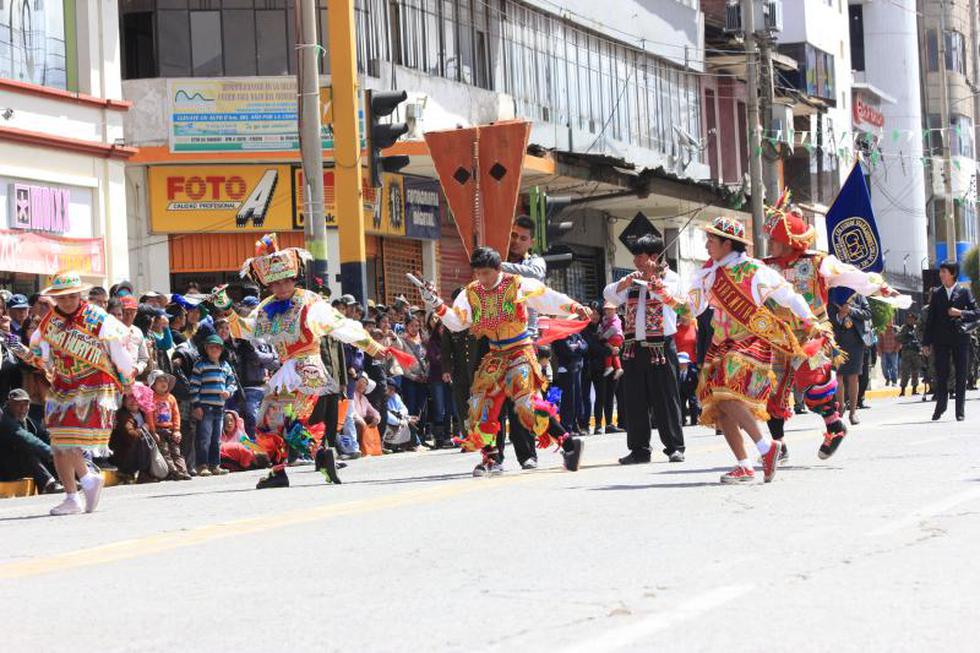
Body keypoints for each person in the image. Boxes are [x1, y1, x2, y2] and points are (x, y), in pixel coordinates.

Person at [654, 217, 825, 484]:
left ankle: (767, 448)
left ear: (727, 243)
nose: (707, 245)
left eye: (711, 240)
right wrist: (663, 293)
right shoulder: (707, 274)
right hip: (720, 344)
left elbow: (789, 295)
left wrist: (810, 319)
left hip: (751, 340)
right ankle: (744, 466)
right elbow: (691, 310)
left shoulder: (754, 269)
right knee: (719, 406)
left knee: (726, 392)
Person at [419, 246, 591, 475]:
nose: (482, 279)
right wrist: (437, 305)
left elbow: (546, 298)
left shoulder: (517, 284)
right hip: (495, 354)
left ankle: (569, 444)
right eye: (478, 274)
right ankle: (491, 458)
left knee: (525, 405)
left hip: (520, 350)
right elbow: (458, 323)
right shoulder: (471, 292)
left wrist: (574, 306)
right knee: (480, 404)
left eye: (486, 273)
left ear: (498, 269)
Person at [232, 234, 387, 488]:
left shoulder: (309, 302)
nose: (281, 288)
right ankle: (284, 469)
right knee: (270, 421)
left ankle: (317, 457)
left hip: (308, 367)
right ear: (268, 285)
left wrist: (370, 344)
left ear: (294, 278)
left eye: (285, 281)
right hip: (285, 371)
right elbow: (248, 329)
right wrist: (228, 311)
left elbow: (338, 324)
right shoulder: (267, 306)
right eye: (275, 283)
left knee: (295, 421)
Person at [762, 197, 896, 457]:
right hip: (778, 338)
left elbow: (851, 275)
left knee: (815, 387)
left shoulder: (817, 263)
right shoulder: (766, 267)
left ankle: (835, 427)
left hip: (812, 335)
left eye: (773, 239)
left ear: (788, 240)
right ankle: (778, 445)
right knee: (773, 390)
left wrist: (880, 287)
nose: (770, 244)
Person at [14, 271, 134, 515]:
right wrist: (25, 352)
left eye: (71, 296)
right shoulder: (50, 322)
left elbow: (117, 349)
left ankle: (84, 482)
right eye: (61, 297)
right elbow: (42, 356)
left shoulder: (97, 316)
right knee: (58, 441)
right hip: (64, 384)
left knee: (66, 437)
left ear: (80, 294)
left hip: (93, 384)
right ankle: (78, 489)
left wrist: (127, 376)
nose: (67, 301)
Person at [603, 234, 686, 464]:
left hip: (660, 345)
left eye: (639, 256)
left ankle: (674, 447)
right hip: (633, 347)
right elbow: (609, 294)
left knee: (666, 398)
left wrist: (653, 280)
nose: (636, 262)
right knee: (634, 399)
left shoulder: (671, 278)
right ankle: (639, 449)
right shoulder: (634, 279)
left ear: (653, 257)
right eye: (635, 257)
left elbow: (668, 298)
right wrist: (627, 283)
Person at [922, 260, 979, 421]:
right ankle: (941, 405)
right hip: (941, 340)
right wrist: (926, 343)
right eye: (940, 272)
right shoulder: (937, 293)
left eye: (944, 272)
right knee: (941, 374)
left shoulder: (964, 292)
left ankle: (959, 411)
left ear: (953, 274)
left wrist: (960, 312)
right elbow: (930, 320)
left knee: (961, 375)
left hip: (960, 339)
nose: (941, 275)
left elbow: (977, 312)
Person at [189, 334, 236, 477]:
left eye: (217, 347)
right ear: (206, 348)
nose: (214, 349)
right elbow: (194, 387)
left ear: (222, 349)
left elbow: (232, 383)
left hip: (220, 407)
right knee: (204, 438)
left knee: (216, 438)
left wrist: (228, 392)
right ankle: (202, 465)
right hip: (205, 407)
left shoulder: (225, 365)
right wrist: (196, 405)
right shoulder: (200, 365)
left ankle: (215, 465)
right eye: (211, 347)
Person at [0, 388, 61, 493]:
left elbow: (44, 434)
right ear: (9, 404)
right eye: (19, 404)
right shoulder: (5, 419)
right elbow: (27, 438)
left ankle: (69, 478)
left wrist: (62, 447)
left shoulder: (26, 419)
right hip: (5, 468)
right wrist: (53, 452)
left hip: (19, 465)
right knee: (27, 450)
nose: (23, 408)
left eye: (26, 404)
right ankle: (49, 484)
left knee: (56, 451)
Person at [829, 291, 872, 425]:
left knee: (853, 376)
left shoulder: (858, 294)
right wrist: (839, 316)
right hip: (837, 341)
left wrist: (851, 310)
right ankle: (840, 410)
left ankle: (853, 412)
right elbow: (826, 315)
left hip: (855, 341)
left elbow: (868, 313)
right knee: (838, 376)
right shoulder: (832, 292)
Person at [147, 369, 191, 480]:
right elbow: (149, 415)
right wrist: (153, 431)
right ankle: (174, 471)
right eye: (160, 381)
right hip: (158, 429)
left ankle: (182, 470)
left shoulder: (171, 398)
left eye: (165, 381)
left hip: (170, 429)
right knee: (165, 451)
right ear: (153, 384)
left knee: (176, 451)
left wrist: (177, 430)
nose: (164, 383)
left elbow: (176, 415)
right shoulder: (150, 398)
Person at [553, 331, 589, 434]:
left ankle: (574, 425)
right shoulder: (559, 335)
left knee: (576, 398)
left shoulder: (576, 334)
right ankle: (566, 426)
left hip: (576, 369)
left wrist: (577, 347)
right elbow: (564, 350)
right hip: (564, 370)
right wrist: (577, 349)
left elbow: (585, 347)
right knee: (567, 399)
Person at [897, 312, 922, 396]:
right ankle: (903, 390)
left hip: (916, 352)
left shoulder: (916, 328)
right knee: (905, 371)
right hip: (906, 352)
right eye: (909, 319)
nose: (910, 321)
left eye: (912, 319)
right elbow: (897, 337)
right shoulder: (904, 328)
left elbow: (921, 337)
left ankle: (914, 389)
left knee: (916, 371)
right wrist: (906, 336)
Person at [599, 302, 625, 379]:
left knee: (607, 347)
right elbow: (602, 327)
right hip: (614, 339)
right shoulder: (605, 319)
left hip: (616, 337)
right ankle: (618, 368)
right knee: (614, 353)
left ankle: (609, 366)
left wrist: (604, 336)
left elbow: (614, 329)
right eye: (607, 309)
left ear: (615, 310)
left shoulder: (616, 319)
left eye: (611, 309)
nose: (608, 311)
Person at [877, 321, 900, 387]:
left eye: (891, 320)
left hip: (894, 351)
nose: (890, 321)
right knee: (884, 366)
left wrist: (897, 349)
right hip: (884, 351)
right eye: (888, 320)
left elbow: (900, 340)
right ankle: (887, 378)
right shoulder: (882, 329)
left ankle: (894, 381)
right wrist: (879, 351)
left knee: (894, 367)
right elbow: (879, 341)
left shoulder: (896, 329)